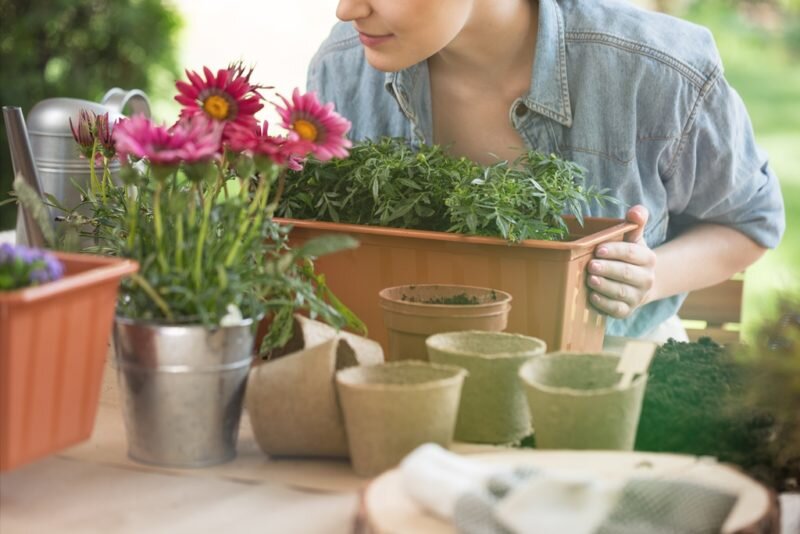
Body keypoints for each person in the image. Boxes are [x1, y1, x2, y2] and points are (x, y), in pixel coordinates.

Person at [306, 0, 786, 341]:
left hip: (609, 379)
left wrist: (650, 278)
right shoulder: (341, 66)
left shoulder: (657, 69)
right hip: (403, 373)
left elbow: (752, 222)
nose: (346, 10)